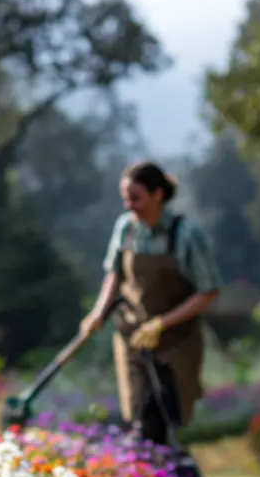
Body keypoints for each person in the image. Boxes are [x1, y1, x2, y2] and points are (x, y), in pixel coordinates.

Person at [80, 160, 223, 446]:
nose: (128, 205)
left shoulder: (186, 235)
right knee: (140, 415)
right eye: (125, 198)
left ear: (158, 194)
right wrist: (98, 313)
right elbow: (115, 275)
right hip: (133, 335)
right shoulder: (125, 230)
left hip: (176, 340)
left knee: (171, 414)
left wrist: (161, 323)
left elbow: (207, 292)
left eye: (136, 198)